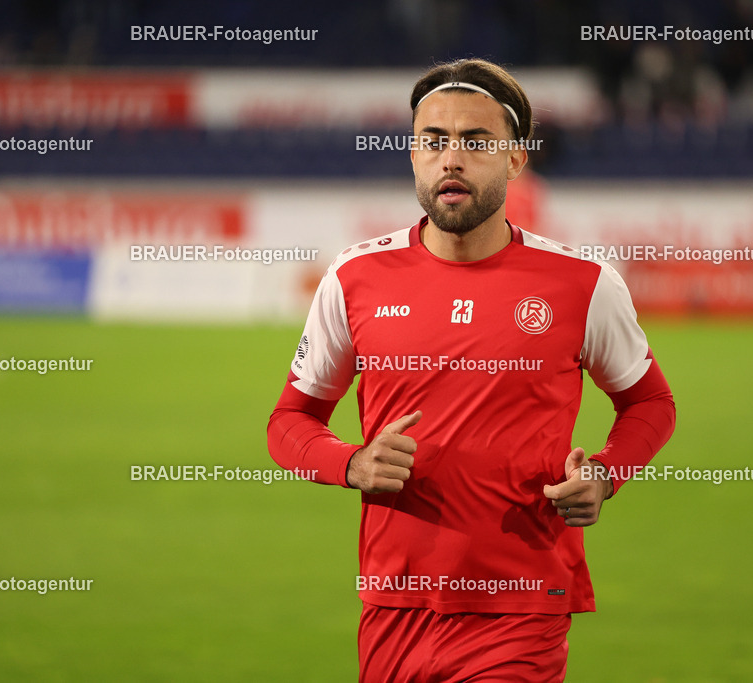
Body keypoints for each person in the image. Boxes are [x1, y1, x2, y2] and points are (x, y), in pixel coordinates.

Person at [267, 57, 676, 682]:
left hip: (522, 605)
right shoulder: (354, 279)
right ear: (412, 155)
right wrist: (349, 463)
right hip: (394, 604)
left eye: (475, 141)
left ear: (515, 159)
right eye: (433, 141)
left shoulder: (582, 285)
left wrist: (606, 474)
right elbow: (291, 420)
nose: (450, 158)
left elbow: (650, 404)